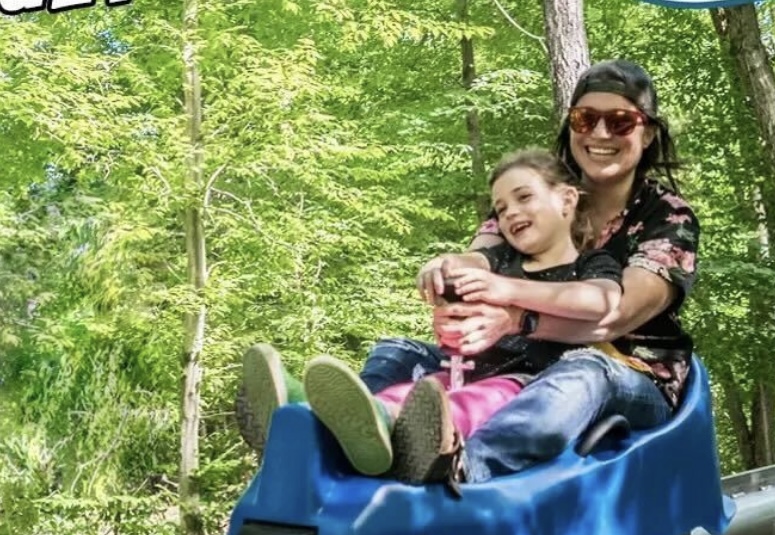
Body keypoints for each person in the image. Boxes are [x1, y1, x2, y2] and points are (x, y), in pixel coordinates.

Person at [237, 59, 700, 488]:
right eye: (585, 119)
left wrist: (516, 314)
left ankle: (464, 465)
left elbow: (612, 315)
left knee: (582, 372)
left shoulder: (666, 217)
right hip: (514, 358)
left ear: (648, 134)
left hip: (624, 368)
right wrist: (448, 275)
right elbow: (480, 259)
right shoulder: (533, 198)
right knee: (399, 352)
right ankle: (327, 435)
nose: (600, 131)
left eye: (620, 121)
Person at [239, 149, 624, 480]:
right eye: (502, 208)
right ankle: (306, 418)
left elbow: (602, 300)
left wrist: (509, 292)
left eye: (524, 198)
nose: (511, 213)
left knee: (471, 402)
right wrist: (441, 270)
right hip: (463, 370)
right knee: (411, 392)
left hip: (523, 383)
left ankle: (404, 437)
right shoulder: (500, 258)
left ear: (567, 200)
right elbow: (467, 261)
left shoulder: (592, 264)